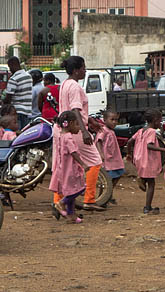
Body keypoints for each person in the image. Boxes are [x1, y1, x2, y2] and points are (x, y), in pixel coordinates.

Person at [55, 56, 104, 212]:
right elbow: (76, 109)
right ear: (76, 71)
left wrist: (90, 120)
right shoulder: (75, 87)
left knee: (64, 166)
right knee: (95, 161)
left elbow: (72, 109)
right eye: (83, 68)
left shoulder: (65, 84)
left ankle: (58, 201)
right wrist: (84, 131)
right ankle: (88, 199)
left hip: (62, 128)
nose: (85, 70)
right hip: (74, 129)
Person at [49, 111, 87, 223]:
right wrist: (83, 164)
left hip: (63, 168)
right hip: (71, 169)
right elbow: (73, 152)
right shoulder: (69, 137)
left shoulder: (61, 135)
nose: (79, 128)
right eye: (77, 124)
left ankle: (71, 215)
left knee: (71, 192)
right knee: (79, 188)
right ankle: (61, 203)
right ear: (70, 123)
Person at [127, 109, 165, 214]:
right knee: (152, 183)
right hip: (147, 160)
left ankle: (142, 179)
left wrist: (129, 153)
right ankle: (147, 207)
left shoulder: (141, 130)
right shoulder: (152, 132)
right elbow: (149, 145)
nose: (161, 122)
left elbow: (130, 141)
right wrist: (164, 150)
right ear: (154, 120)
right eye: (160, 120)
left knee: (147, 178)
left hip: (139, 158)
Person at [95, 110, 124, 205]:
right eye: (112, 120)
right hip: (107, 159)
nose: (114, 122)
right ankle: (102, 199)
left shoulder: (110, 131)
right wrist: (101, 153)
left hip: (114, 159)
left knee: (118, 173)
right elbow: (98, 141)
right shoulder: (103, 130)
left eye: (116, 120)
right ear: (105, 120)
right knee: (106, 180)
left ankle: (109, 194)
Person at [2, 57, 32, 129]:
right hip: (28, 111)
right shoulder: (28, 76)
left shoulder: (14, 79)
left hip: (16, 112)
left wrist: (3, 102)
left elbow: (8, 98)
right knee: (24, 136)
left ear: (13, 65)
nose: (10, 69)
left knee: (16, 136)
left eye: (10, 67)